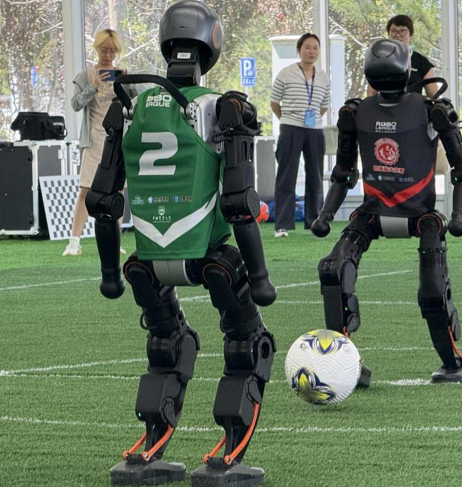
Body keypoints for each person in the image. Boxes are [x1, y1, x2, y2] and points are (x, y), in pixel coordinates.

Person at [84, 1, 277, 485]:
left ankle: (149, 448)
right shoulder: (221, 107)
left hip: (145, 260)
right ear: (211, 44)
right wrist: (259, 277)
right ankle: (227, 455)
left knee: (166, 342)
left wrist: (109, 273)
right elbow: (239, 201)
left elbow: (103, 200)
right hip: (210, 256)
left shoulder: (131, 106)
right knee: (249, 342)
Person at [311, 39, 462, 385]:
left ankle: (452, 361)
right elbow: (343, 173)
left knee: (432, 290)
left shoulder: (431, 110)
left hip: (422, 214)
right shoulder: (356, 113)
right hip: (371, 211)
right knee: (333, 269)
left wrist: (459, 214)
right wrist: (326, 214)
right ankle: (346, 365)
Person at [63, 28, 135, 256]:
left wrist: (126, 84)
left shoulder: (122, 74)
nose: (108, 55)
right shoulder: (85, 75)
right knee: (86, 189)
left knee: (118, 191)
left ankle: (115, 239)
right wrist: (93, 86)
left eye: (112, 51)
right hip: (94, 138)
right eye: (104, 50)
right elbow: (76, 104)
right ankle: (74, 241)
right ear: (96, 49)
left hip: (118, 138)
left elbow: (134, 102)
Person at [270, 33, 331, 237]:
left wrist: (312, 120)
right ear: (299, 50)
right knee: (286, 176)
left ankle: (314, 222)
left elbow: (324, 105)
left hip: (315, 130)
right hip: (290, 128)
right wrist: (288, 119)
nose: (311, 51)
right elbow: (274, 102)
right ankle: (282, 225)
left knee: (315, 176)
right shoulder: (286, 73)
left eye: (315, 47)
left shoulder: (323, 76)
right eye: (307, 47)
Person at [366, 14, 440, 98]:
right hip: (385, 105)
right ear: (388, 34)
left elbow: (434, 95)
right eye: (393, 31)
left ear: (410, 34)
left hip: (414, 105)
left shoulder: (422, 62)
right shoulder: (379, 60)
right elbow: (371, 94)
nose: (398, 35)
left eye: (403, 31)